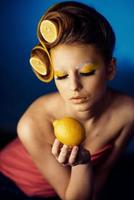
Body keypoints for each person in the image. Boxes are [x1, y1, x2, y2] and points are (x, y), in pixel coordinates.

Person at [0, 1, 134, 200]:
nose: (74, 86)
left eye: (87, 72)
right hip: (11, 186)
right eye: (61, 76)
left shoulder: (128, 113)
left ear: (110, 69)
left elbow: (103, 175)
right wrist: (81, 164)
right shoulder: (31, 124)